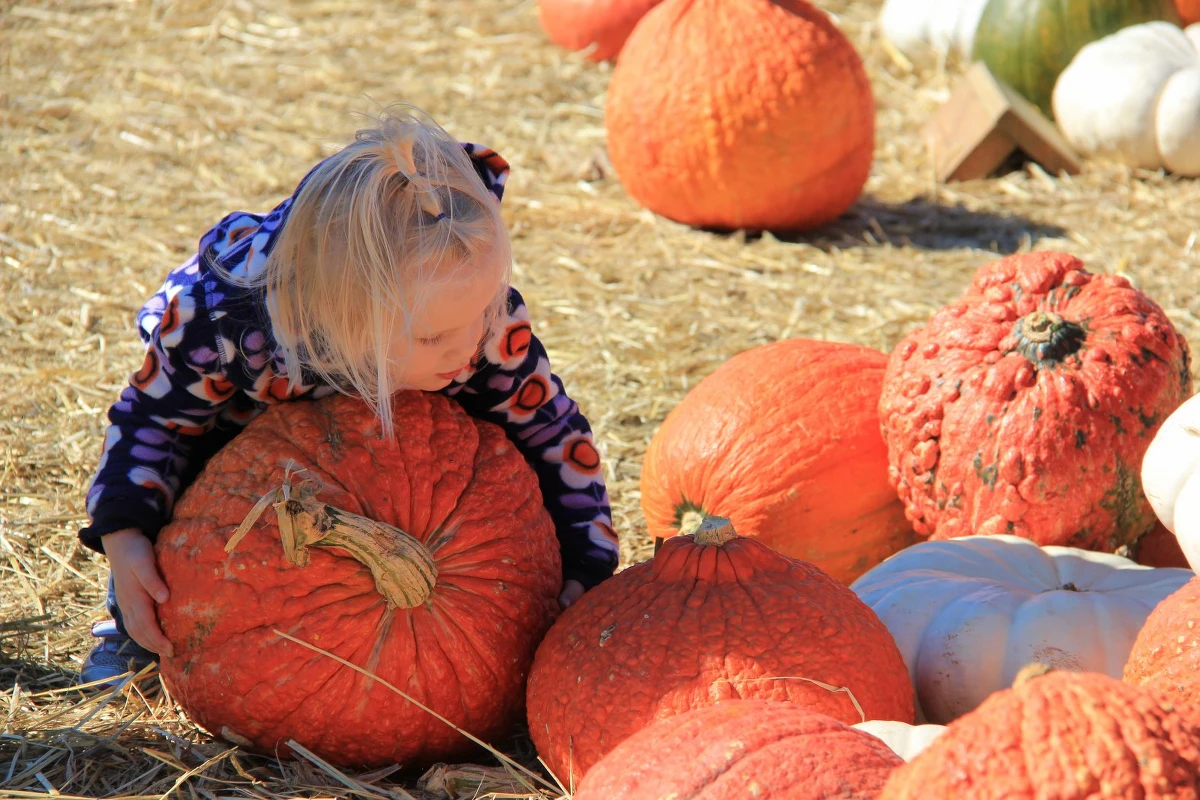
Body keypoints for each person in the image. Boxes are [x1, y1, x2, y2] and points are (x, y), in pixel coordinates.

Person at [77, 105, 620, 686]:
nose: (468, 347)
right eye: (433, 335)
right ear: (344, 319)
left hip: (409, 478)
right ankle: (127, 632)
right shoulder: (226, 327)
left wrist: (584, 562)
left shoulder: (481, 327)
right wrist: (126, 534)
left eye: (486, 307)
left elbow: (551, 433)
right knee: (190, 490)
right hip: (245, 440)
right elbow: (153, 424)